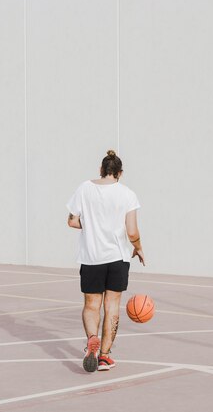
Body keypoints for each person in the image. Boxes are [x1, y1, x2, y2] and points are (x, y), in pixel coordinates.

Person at [66, 149, 145, 372]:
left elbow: (72, 221)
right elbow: (132, 231)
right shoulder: (128, 194)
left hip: (91, 257)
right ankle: (104, 356)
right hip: (117, 258)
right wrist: (138, 248)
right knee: (112, 306)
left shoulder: (84, 188)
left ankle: (92, 338)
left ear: (101, 170)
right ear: (120, 173)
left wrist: (91, 227)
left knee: (92, 306)